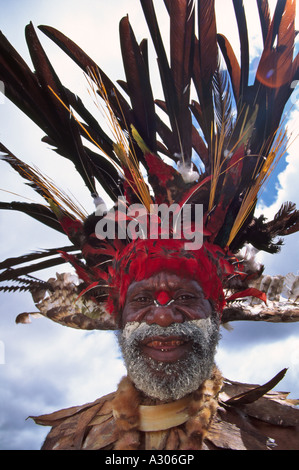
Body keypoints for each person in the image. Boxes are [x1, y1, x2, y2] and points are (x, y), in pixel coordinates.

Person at [1, 0, 299, 450]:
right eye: (142, 298)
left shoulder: (285, 435)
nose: (162, 314)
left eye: (184, 296)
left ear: (217, 312)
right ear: (115, 314)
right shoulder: (69, 441)